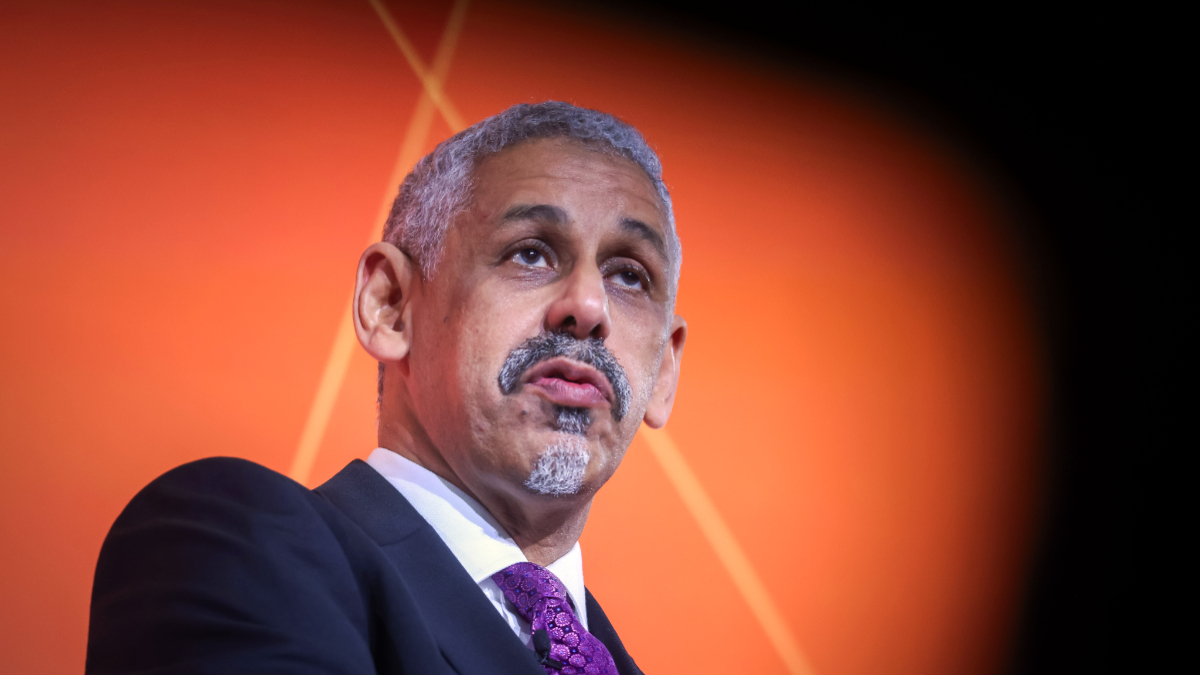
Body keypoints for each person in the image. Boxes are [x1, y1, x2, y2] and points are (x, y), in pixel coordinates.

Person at [86, 101, 687, 675]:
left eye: (630, 275)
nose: (588, 306)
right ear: (391, 306)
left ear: (664, 370)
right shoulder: (228, 553)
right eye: (530, 253)